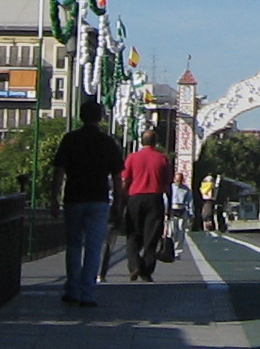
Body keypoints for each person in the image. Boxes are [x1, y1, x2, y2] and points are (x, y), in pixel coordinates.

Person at [52, 101, 123, 307]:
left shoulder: (70, 139)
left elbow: (59, 170)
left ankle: (72, 289)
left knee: (73, 245)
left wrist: (54, 198)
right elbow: (117, 176)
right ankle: (88, 293)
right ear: (100, 118)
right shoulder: (107, 142)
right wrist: (118, 202)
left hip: (74, 197)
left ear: (81, 116)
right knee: (93, 247)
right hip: (99, 199)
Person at [120, 128, 172, 281]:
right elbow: (167, 184)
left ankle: (134, 264)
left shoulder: (132, 157)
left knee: (132, 234)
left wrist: (122, 200)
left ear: (141, 142)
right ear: (155, 142)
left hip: (135, 198)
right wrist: (169, 204)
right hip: (155, 198)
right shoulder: (162, 159)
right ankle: (147, 269)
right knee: (152, 235)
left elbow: (125, 180)